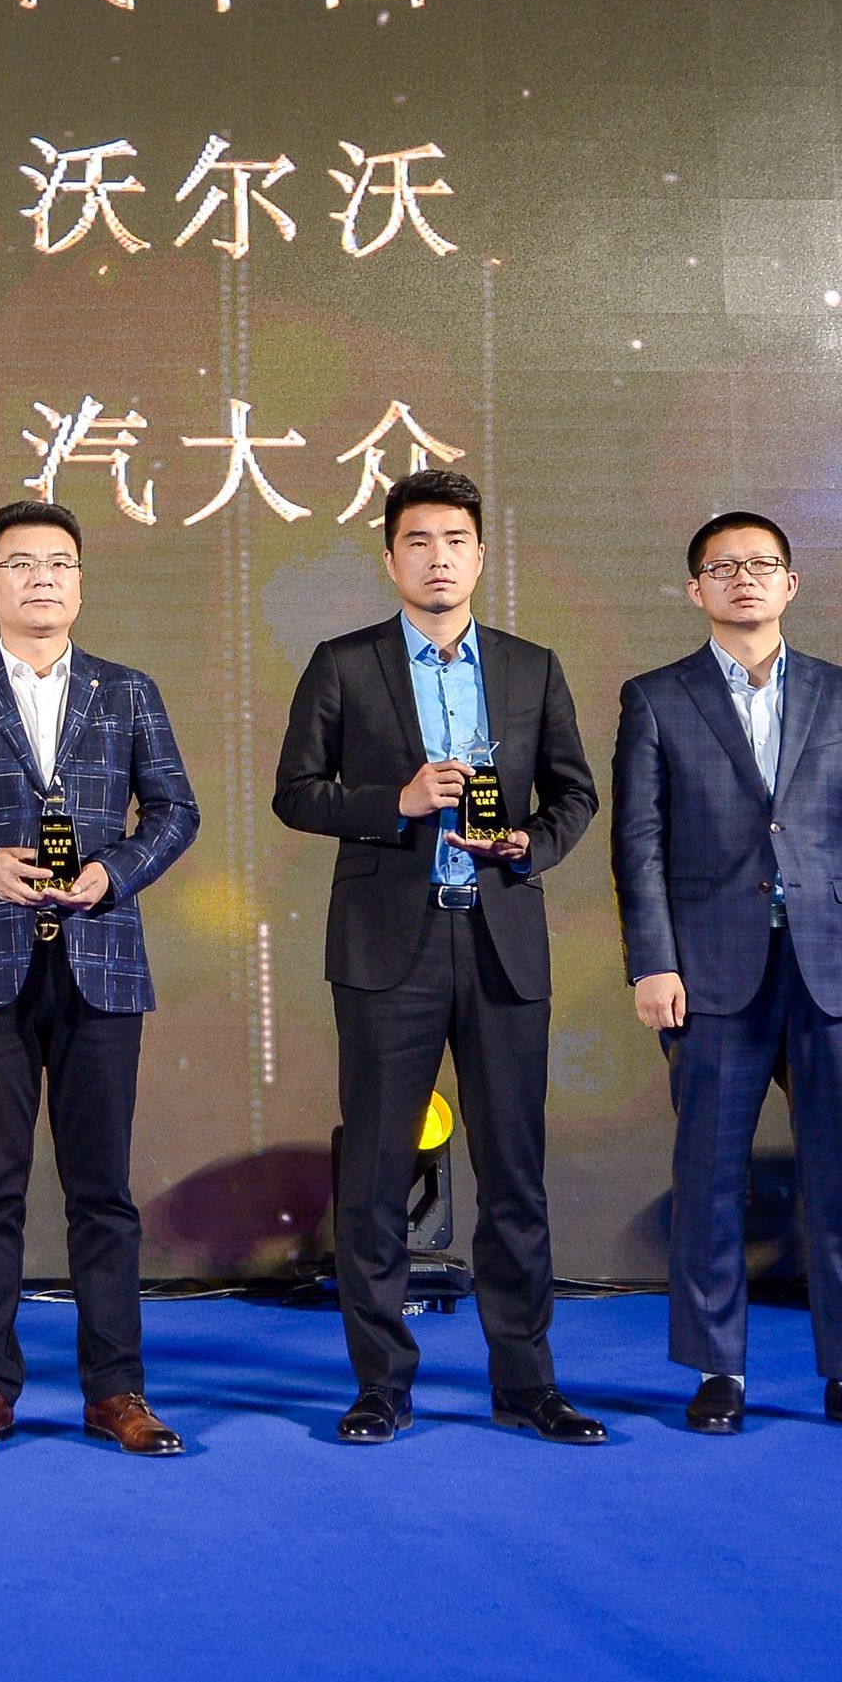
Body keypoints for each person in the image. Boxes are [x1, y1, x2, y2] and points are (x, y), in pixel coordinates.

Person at [271, 468, 604, 1446]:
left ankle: (527, 1384)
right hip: (389, 946)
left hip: (502, 942)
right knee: (377, 1174)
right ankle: (382, 1384)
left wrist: (529, 846)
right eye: (417, 541)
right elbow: (296, 792)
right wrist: (399, 802)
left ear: (481, 555)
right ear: (390, 558)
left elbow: (576, 795)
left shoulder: (530, 667)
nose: (438, 557)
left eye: (455, 540)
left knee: (515, 1175)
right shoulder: (345, 663)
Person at [611, 510, 842, 1438]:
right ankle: (718, 1370)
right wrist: (653, 962)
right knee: (709, 1180)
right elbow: (638, 847)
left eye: (762, 564)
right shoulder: (656, 698)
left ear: (790, 584)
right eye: (724, 567)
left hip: (835, 969)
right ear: (696, 590)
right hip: (708, 973)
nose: (744, 578)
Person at [0, 499, 200, 1456]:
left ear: (80, 583)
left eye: (59, 562)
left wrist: (115, 874)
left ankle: (117, 1392)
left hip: (102, 963)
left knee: (103, 1192)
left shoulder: (128, 691)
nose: (42, 578)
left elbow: (175, 811)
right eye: (20, 563)